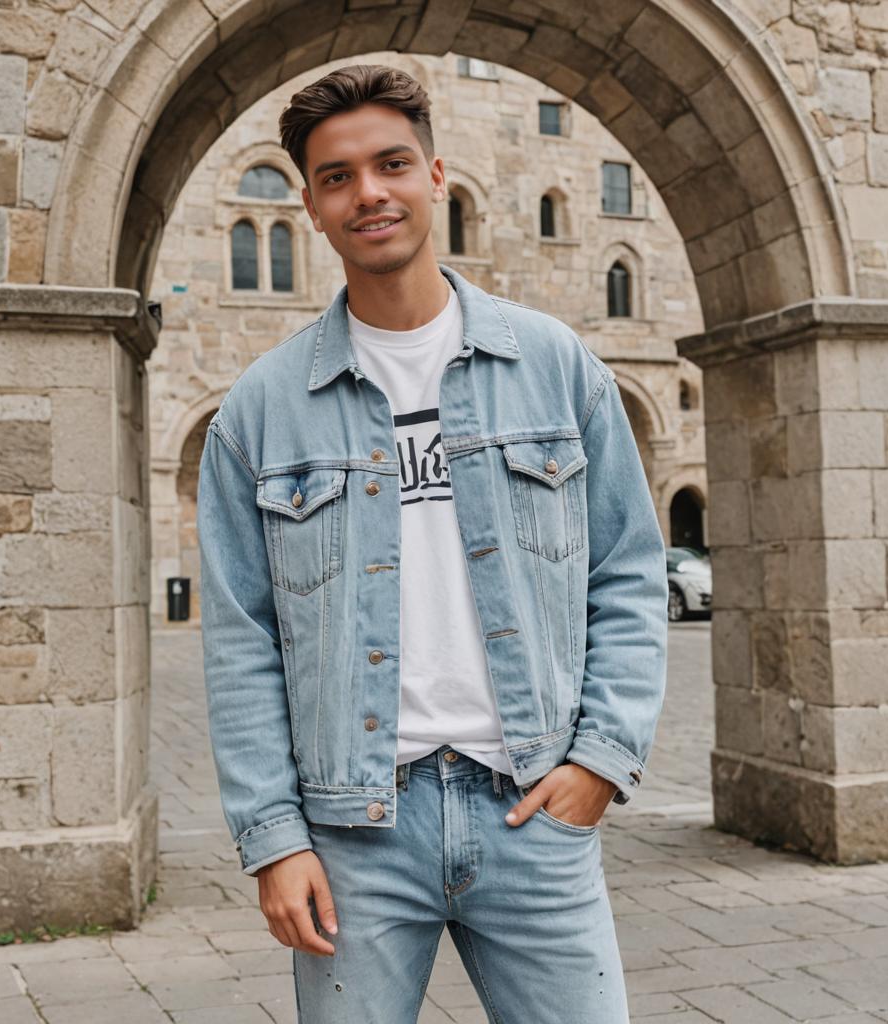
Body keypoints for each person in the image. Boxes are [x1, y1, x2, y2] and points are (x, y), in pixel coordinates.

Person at [197, 63, 668, 1024]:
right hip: (353, 835)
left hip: (532, 806)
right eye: (337, 177)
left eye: (391, 164)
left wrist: (601, 761)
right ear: (313, 209)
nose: (368, 192)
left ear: (436, 176)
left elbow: (627, 569)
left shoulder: (553, 366)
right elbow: (241, 639)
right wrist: (275, 837)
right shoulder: (259, 412)